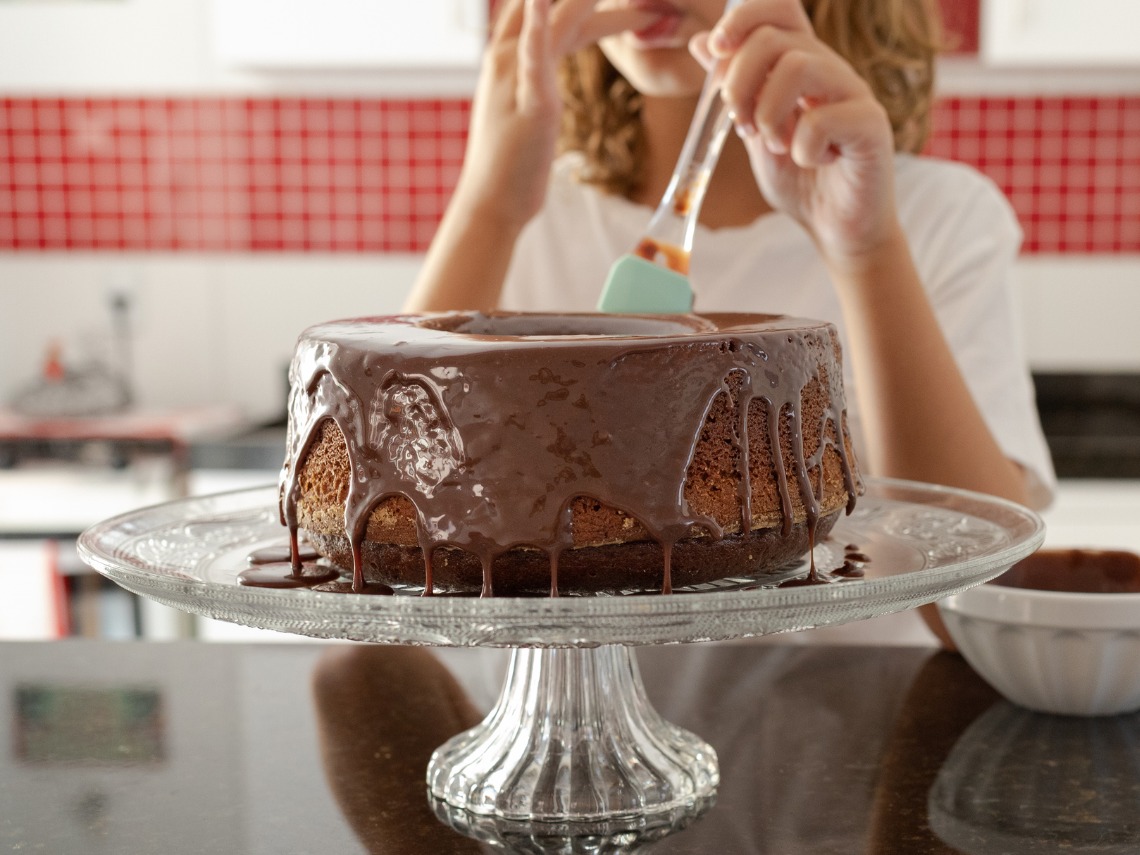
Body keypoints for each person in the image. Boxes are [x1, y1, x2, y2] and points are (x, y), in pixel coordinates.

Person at [404, 0, 1056, 645]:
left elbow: (993, 613)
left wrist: (866, 250)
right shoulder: (525, 212)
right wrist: (487, 209)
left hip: (852, 732)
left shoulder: (931, 219)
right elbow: (379, 574)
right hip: (555, 739)